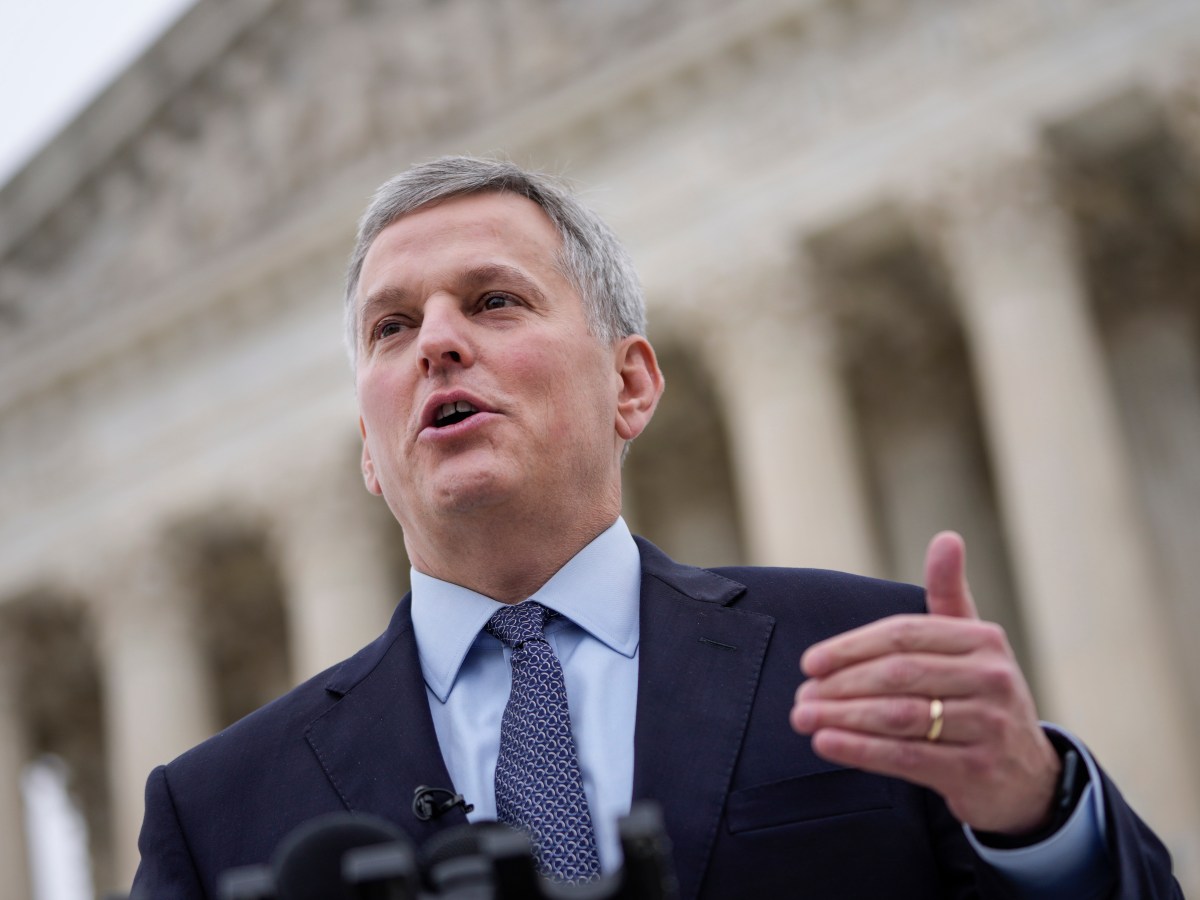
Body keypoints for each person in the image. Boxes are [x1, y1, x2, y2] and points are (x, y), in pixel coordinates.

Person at [131, 156, 1180, 898]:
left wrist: (1035, 816)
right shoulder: (217, 809)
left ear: (630, 385)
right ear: (369, 449)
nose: (436, 343)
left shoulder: (867, 655)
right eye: (392, 327)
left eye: (493, 302)